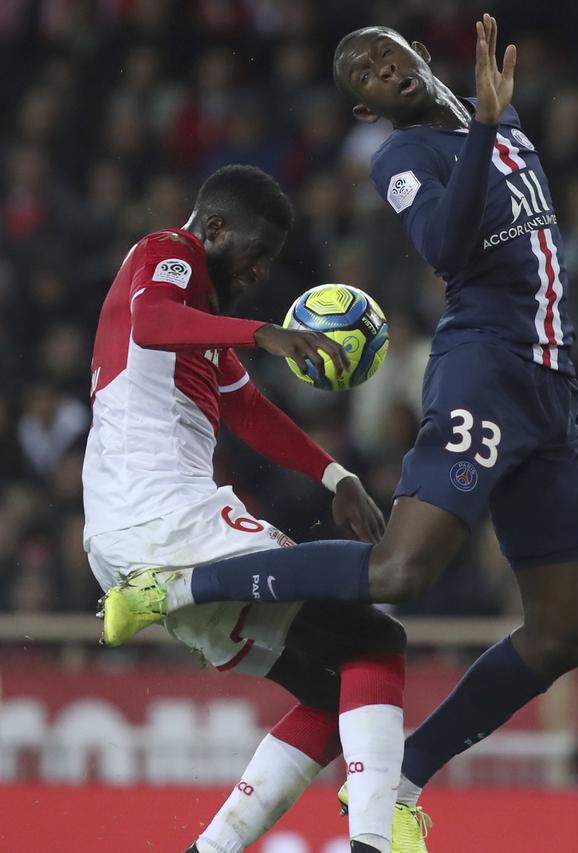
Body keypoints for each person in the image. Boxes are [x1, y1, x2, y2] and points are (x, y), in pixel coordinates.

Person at [102, 13, 578, 843]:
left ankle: (403, 778)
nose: (379, 69)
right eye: (363, 75)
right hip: (486, 369)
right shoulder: (402, 156)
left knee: (565, 632)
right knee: (399, 573)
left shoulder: (501, 114)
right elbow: (449, 245)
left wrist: (334, 475)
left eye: (385, 54)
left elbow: (249, 407)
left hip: (555, 388)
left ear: (416, 52)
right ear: (369, 110)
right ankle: (177, 587)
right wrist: (481, 125)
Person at [85, 164, 422, 853]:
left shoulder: (200, 323)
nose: (260, 271)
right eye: (254, 252)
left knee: (345, 684)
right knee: (372, 617)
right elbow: (150, 322)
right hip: (163, 515)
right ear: (212, 228)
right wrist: (266, 333)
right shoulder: (164, 254)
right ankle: (376, 838)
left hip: (133, 528)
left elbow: (245, 407)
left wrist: (335, 475)